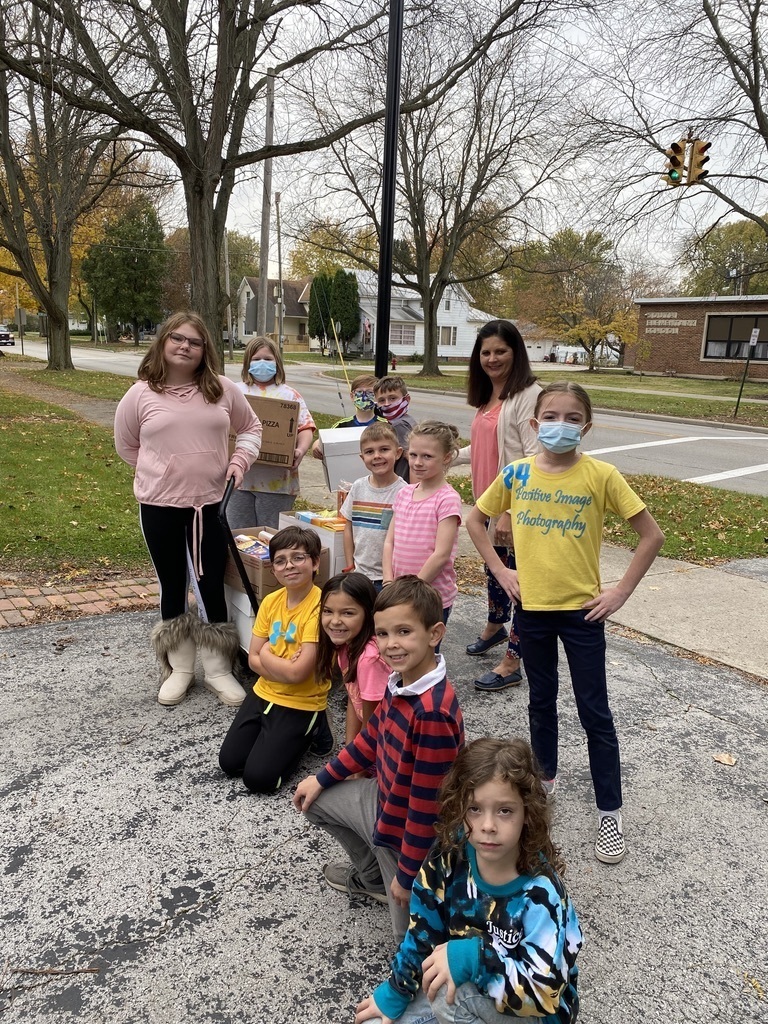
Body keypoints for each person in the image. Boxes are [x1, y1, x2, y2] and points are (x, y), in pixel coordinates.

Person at [466, 381, 665, 864]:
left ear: (586, 426)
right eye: (551, 417)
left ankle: (610, 810)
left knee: (595, 710)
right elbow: (475, 519)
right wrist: (500, 568)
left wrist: (619, 591)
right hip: (532, 610)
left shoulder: (601, 475)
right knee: (541, 700)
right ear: (535, 425)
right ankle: (545, 780)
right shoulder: (517, 475)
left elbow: (651, 535)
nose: (560, 426)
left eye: (572, 418)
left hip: (582, 614)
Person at [355, 737, 583, 1024]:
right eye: (475, 809)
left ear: (527, 813)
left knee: (449, 998)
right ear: (459, 807)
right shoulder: (447, 857)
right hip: (469, 987)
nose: (487, 825)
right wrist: (397, 991)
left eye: (505, 811)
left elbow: (544, 994)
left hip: (531, 1012)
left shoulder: (541, 894)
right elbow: (423, 933)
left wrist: (475, 959)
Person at [293, 576, 464, 942]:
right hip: (385, 802)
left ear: (435, 633)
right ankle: (372, 878)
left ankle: (410, 911)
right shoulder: (401, 680)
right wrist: (322, 777)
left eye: (404, 631)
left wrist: (405, 875)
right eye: (383, 634)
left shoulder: (432, 712)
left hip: (408, 833)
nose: (391, 645)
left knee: (409, 939)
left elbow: (426, 807)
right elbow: (371, 738)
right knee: (314, 799)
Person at [114, 312, 262, 708]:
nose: (185, 346)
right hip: (159, 506)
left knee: (211, 582)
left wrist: (239, 461)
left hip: (211, 506)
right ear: (162, 342)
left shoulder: (223, 389)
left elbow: (252, 428)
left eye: (194, 342)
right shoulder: (140, 394)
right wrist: (163, 470)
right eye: (177, 338)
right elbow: (127, 446)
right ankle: (179, 669)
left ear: (204, 350)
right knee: (172, 584)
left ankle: (217, 669)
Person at [455, 320, 541, 693]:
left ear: (516, 352)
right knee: (495, 569)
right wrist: (449, 458)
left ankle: (513, 662)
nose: (492, 358)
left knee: (520, 582)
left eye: (500, 351)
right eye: (485, 352)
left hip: (516, 508)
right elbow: (486, 447)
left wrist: (510, 509)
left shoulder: (528, 396)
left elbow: (534, 457)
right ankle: (494, 626)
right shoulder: (490, 397)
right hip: (487, 501)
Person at [218, 526, 333, 792]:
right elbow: (252, 661)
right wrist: (281, 665)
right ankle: (279, 739)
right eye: (280, 561)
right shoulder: (271, 601)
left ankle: (315, 729)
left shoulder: (321, 608)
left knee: (260, 781)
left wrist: (268, 654)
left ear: (315, 562)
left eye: (298, 557)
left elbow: (297, 675)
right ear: (274, 570)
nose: (289, 566)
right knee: (230, 764)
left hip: (301, 701)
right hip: (264, 692)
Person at [226, 336, 315, 529]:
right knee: (239, 537)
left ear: (278, 363)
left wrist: (301, 450)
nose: (262, 363)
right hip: (239, 481)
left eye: (268, 359)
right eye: (256, 359)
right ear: (247, 362)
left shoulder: (290, 395)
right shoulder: (234, 391)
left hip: (278, 483)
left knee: (273, 537)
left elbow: (306, 428)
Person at [382, 422, 461, 628]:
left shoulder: (447, 499)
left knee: (425, 652)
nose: (417, 462)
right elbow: (390, 541)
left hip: (430, 597)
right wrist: (389, 582)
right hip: (399, 592)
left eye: (427, 456)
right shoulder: (404, 493)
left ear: (446, 457)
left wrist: (411, 591)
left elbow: (441, 554)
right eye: (413, 454)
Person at [317, 573, 390, 744]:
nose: (335, 621)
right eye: (328, 611)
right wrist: (349, 749)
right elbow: (354, 698)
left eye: (347, 613)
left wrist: (355, 765)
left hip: (386, 746)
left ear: (368, 613)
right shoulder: (346, 645)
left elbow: (371, 725)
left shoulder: (370, 659)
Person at [339, 423, 407, 590]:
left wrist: (392, 578)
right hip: (359, 575)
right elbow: (348, 527)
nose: (377, 456)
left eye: (384, 449)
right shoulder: (358, 487)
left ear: (397, 453)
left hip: (389, 579)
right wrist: (350, 566)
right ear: (362, 458)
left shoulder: (404, 492)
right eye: (370, 451)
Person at [311, 373, 386, 460]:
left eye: (370, 392)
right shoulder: (342, 425)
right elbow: (323, 440)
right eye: (360, 392)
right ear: (352, 396)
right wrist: (316, 447)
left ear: (377, 397)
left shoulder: (385, 425)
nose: (364, 396)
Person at [373, 375, 416, 481]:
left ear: (407, 399)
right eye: (382, 400)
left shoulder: (398, 425)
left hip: (402, 478)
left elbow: (410, 457)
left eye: (393, 398)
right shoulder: (408, 419)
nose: (387, 404)